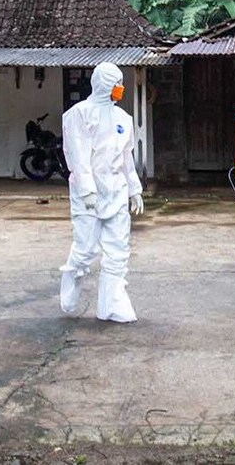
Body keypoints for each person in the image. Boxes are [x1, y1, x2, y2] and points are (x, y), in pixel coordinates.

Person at [58, 62, 145, 323]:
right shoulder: (79, 114)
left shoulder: (123, 119)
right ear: (104, 84)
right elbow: (78, 154)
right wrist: (87, 190)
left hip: (116, 190)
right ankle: (72, 280)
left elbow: (126, 158)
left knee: (118, 249)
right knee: (86, 248)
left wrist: (134, 189)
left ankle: (112, 303)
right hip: (90, 193)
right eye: (116, 83)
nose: (120, 88)